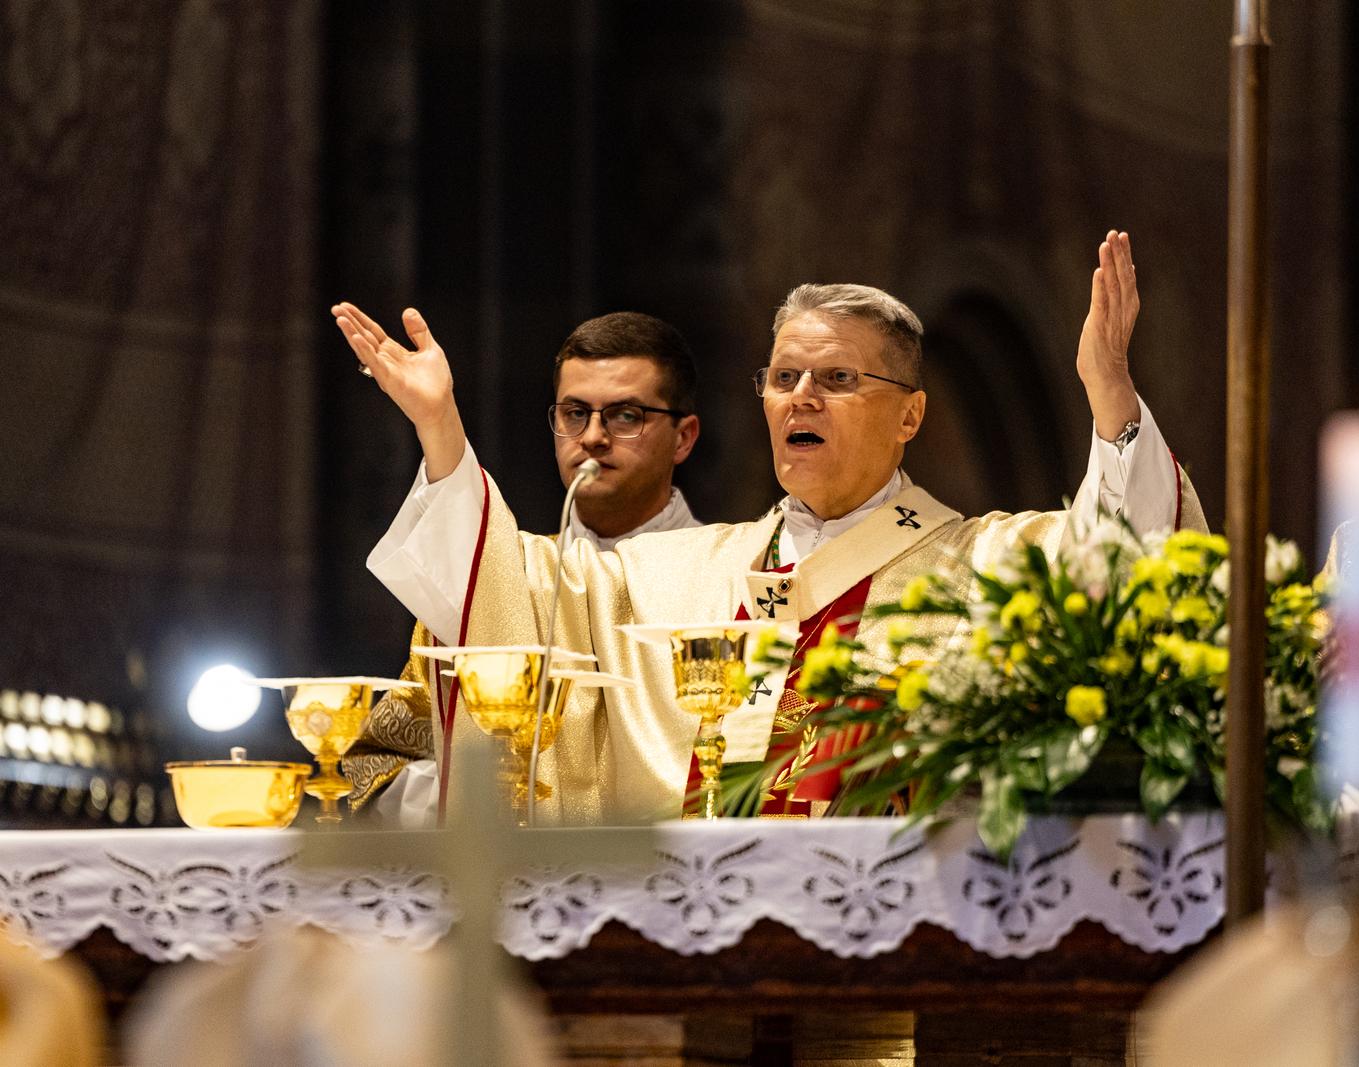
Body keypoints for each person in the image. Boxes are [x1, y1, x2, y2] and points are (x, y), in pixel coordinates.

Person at [333, 231, 1204, 824]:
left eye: (837, 378)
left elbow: (1125, 557)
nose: (802, 397)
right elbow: (506, 592)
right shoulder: (682, 572)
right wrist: (441, 430)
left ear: (910, 417)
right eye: (784, 376)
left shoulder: (985, 561)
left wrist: (1110, 394)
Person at [341, 313, 704, 817]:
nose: (593, 436)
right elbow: (381, 768)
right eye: (574, 413)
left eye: (625, 416)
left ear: (683, 437)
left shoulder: (725, 582)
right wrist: (476, 803)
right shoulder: (501, 583)